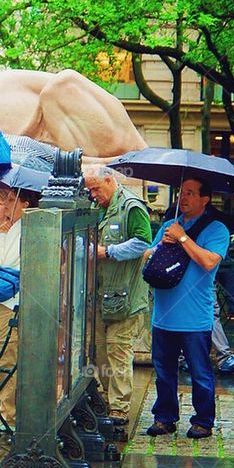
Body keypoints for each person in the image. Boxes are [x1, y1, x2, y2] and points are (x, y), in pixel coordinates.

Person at [144, 178, 228, 440]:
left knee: (200, 372)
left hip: (194, 318)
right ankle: (165, 417)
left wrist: (182, 238)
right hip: (164, 315)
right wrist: (162, 244)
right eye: (182, 192)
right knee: (163, 372)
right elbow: (148, 255)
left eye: (191, 193)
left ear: (205, 199)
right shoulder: (170, 225)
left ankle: (203, 420)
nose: (184, 197)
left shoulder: (216, 230)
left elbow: (208, 261)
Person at [84, 166, 152, 426]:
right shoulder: (97, 208)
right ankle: (106, 398)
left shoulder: (132, 207)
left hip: (126, 297)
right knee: (100, 351)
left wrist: (109, 251)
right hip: (102, 295)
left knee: (118, 350)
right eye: (90, 189)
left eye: (96, 188)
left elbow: (143, 242)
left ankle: (120, 408)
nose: (93, 194)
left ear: (110, 181)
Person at [0, 188, 35, 432]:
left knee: (6, 355)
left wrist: (0, 237)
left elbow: (3, 265)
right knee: (9, 354)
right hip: (7, 301)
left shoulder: (22, 230)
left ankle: (9, 414)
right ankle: (10, 410)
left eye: (8, 202)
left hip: (10, 302)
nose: (3, 207)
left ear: (24, 204)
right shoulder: (10, 230)